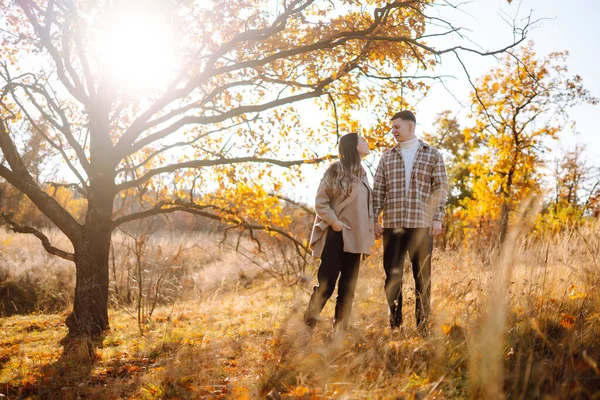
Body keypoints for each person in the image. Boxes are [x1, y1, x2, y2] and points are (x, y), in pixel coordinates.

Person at [372, 110, 448, 334]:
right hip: (393, 225)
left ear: (410, 127)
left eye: (396, 127)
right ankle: (395, 326)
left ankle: (422, 327)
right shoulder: (387, 157)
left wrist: (437, 218)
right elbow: (378, 191)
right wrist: (375, 218)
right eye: (392, 127)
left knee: (422, 277)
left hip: (421, 226)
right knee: (392, 276)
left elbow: (440, 189)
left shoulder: (432, 155)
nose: (393, 131)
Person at [304, 132, 375, 332]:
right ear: (353, 146)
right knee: (325, 286)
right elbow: (321, 201)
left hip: (356, 238)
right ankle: (306, 329)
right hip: (336, 235)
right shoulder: (336, 170)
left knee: (348, 290)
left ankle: (340, 334)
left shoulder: (362, 173)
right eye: (362, 140)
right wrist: (334, 223)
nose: (366, 142)